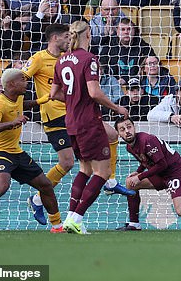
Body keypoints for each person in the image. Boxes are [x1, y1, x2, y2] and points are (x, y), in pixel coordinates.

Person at [50, 20, 129, 234]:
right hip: (89, 122)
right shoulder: (90, 59)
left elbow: (53, 94)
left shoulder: (61, 60)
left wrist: (73, 99)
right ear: (88, 36)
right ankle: (77, 217)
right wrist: (117, 108)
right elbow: (94, 92)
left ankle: (70, 218)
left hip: (71, 122)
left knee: (85, 169)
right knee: (103, 172)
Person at [0, 68, 64, 233]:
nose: (26, 82)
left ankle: (58, 226)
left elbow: (22, 105)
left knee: (45, 185)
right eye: (23, 80)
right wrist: (12, 122)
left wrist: (42, 100)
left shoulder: (18, 97)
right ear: (11, 84)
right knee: (1, 186)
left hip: (16, 152)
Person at [20, 25, 75, 225]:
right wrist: (24, 105)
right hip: (53, 116)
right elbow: (19, 79)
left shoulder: (68, 58)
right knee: (68, 162)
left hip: (74, 114)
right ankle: (37, 199)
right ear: (54, 38)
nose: (69, 40)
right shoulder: (38, 59)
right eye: (66, 37)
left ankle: (109, 179)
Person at [100, 17, 156, 84]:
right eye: (123, 29)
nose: (126, 32)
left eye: (129, 29)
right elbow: (102, 67)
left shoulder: (144, 47)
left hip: (138, 85)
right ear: (117, 31)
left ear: (134, 31)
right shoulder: (109, 46)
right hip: (112, 85)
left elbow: (153, 66)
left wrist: (126, 79)